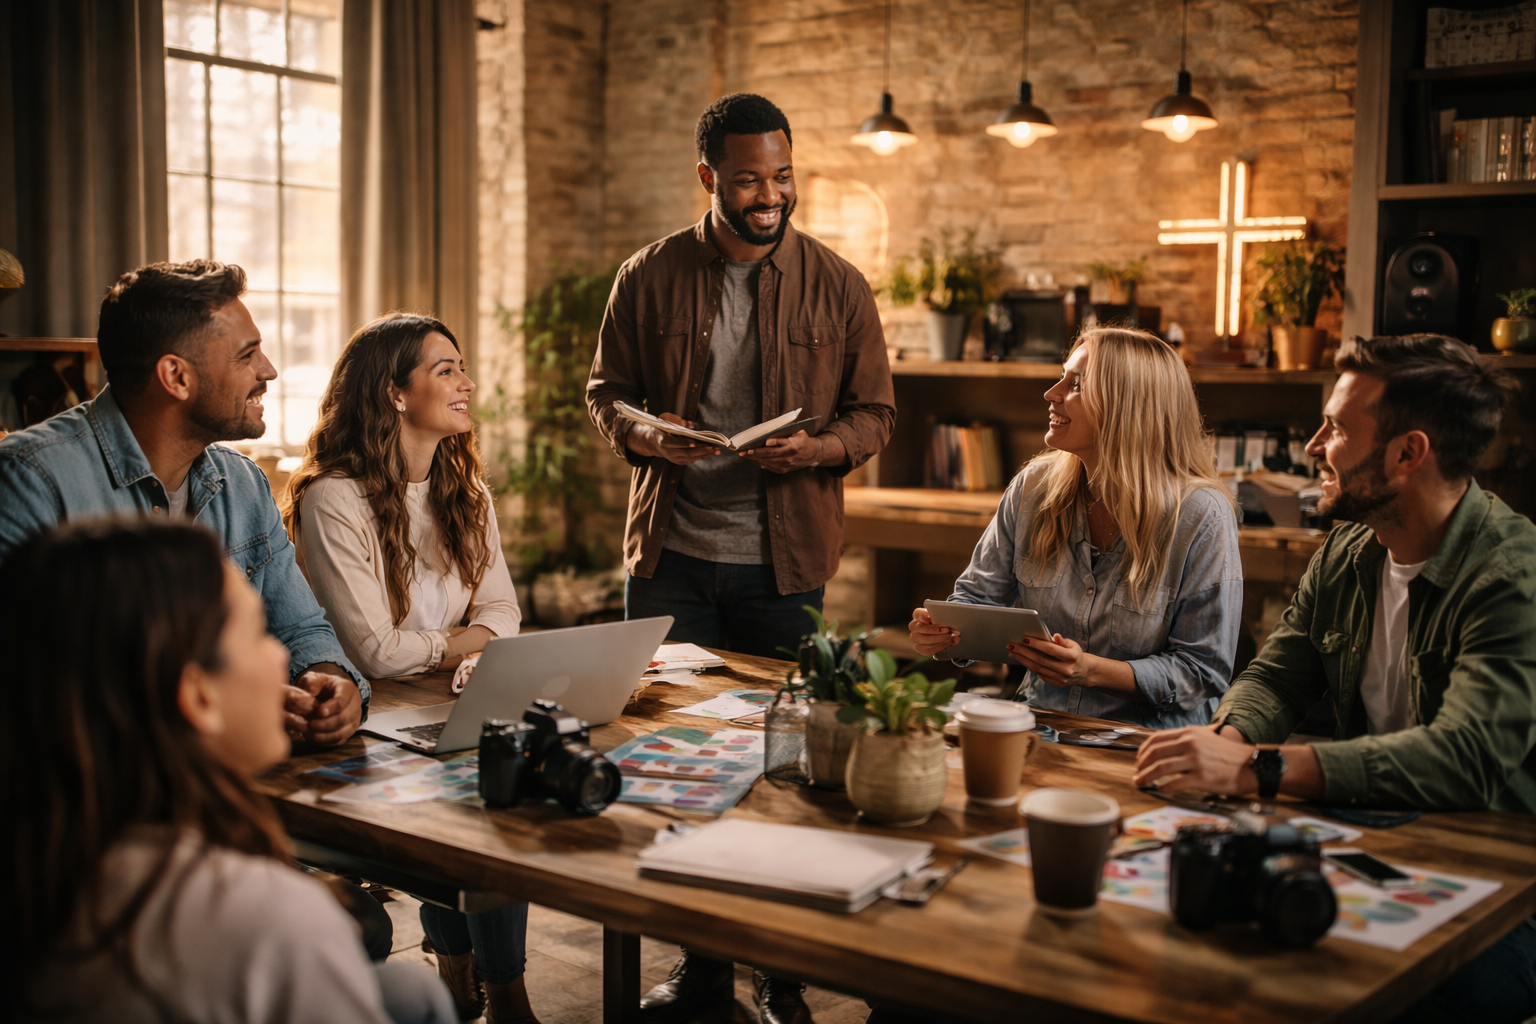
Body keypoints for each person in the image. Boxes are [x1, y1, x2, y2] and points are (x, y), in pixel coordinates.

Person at [586, 93, 895, 1024]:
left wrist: (817, 452)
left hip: (783, 561)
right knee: (678, 764)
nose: (770, 195)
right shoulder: (647, 276)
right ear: (708, 177)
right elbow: (608, 394)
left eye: (783, 175)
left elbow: (874, 415)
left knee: (781, 770)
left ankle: (779, 973)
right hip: (671, 556)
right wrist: (650, 436)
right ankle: (703, 969)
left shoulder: (838, 284)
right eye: (751, 178)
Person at [1133, 334, 1535, 1024]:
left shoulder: (1511, 574)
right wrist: (1226, 739)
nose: (1314, 446)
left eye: (1339, 428)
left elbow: (1466, 756)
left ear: (1409, 454)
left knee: (1323, 987)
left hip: (1503, 893)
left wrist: (1257, 769)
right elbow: (1280, 675)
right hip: (1373, 844)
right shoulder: (1351, 547)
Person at [0, 519, 456, 1024]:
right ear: (199, 696)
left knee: (406, 989)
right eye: (256, 634)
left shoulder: (45, 870)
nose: (281, 654)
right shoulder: (273, 920)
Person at [0, 259, 368, 748]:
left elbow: (300, 627)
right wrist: (227, 704)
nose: (269, 371)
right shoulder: (29, 479)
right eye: (247, 355)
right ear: (176, 376)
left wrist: (331, 684)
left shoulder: (242, 482)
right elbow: (29, 686)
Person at [286, 312, 537, 1024]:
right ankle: (499, 997)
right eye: (446, 370)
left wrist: (468, 643)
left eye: (462, 368)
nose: (468, 383)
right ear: (395, 393)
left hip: (443, 705)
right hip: (367, 718)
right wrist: (466, 640)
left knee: (501, 781)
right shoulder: (334, 497)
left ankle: (472, 985)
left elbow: (506, 612)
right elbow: (374, 651)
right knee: (478, 802)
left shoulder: (467, 492)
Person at [907, 327, 1243, 729]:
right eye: (1061, 377)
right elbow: (976, 599)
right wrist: (943, 634)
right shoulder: (1033, 488)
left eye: (1075, 384)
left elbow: (1202, 672)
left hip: (1148, 745)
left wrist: (1090, 670)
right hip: (1045, 728)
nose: (1051, 393)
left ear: (1127, 405)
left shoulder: (1202, 515)